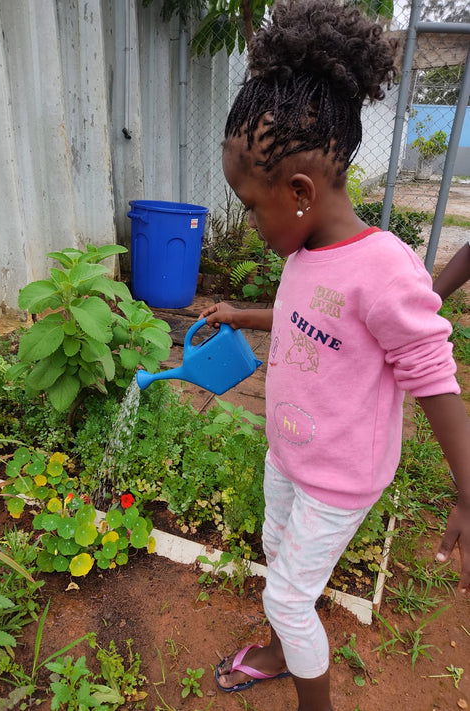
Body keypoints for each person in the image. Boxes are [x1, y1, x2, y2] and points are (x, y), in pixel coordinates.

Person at [198, 2, 470, 709]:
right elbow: (304, 315)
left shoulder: (381, 267)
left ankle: (305, 686)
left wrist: (467, 489)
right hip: (289, 452)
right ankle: (285, 646)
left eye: (249, 206)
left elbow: (434, 379)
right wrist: (240, 312)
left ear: (297, 193)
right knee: (275, 550)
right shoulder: (307, 246)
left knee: (289, 595)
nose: (250, 222)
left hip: (341, 473)